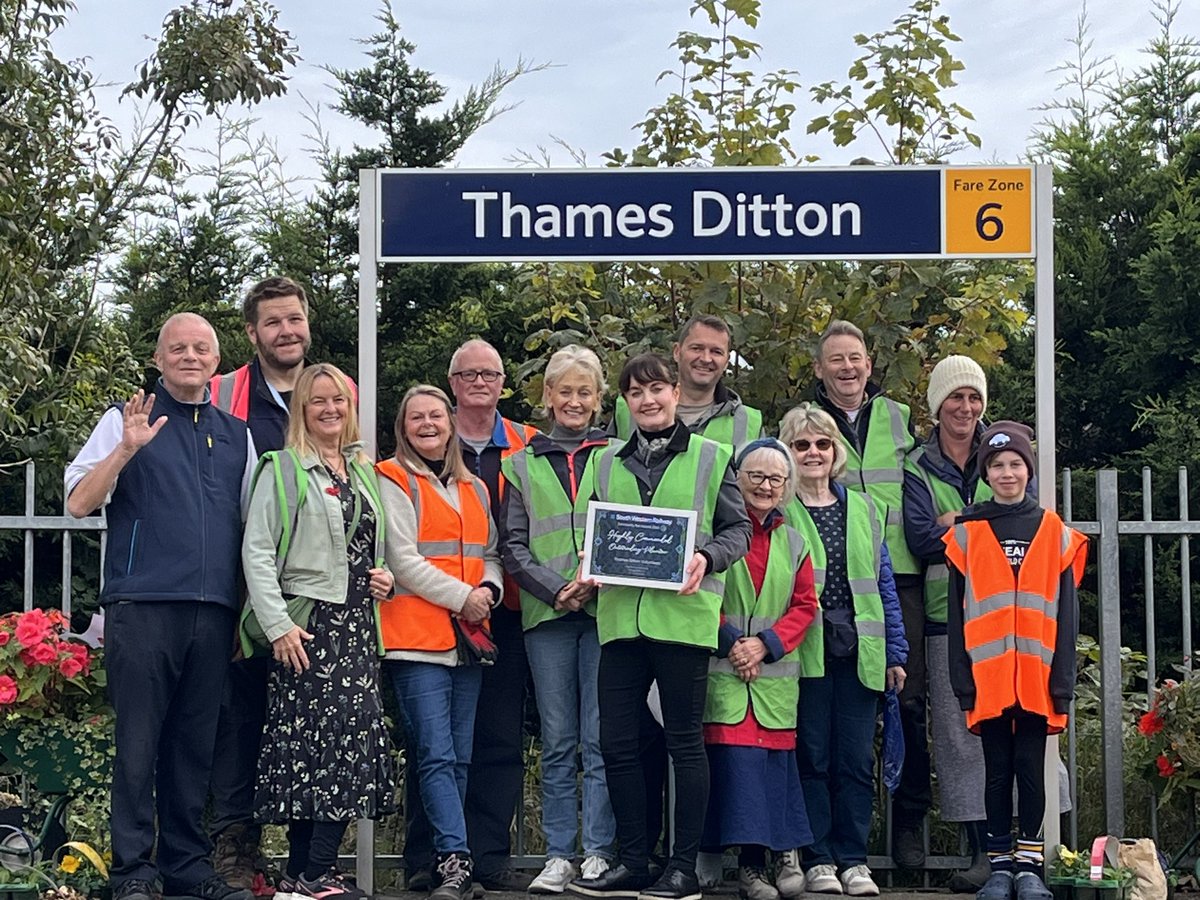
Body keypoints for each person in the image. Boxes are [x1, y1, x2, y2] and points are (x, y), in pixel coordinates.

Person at [65, 313, 256, 900]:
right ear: (159, 357)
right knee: (139, 743)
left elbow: (253, 528)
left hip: (214, 609)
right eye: (178, 347)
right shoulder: (125, 422)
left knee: (194, 745)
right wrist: (126, 449)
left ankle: (185, 865)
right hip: (142, 603)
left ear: (216, 361)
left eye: (202, 348)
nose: (190, 356)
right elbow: (77, 503)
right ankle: (131, 870)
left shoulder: (237, 433)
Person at [569, 353, 752, 900]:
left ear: (675, 392)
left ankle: (683, 868)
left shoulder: (712, 457)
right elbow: (588, 530)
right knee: (617, 744)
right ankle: (633, 861)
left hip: (684, 622)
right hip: (620, 621)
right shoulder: (603, 462)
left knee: (683, 744)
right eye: (635, 393)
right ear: (625, 403)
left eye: (656, 389)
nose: (647, 400)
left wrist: (708, 558)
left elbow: (738, 529)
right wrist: (586, 563)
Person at [241, 363, 395, 900]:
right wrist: (278, 625)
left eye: (338, 400)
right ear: (301, 410)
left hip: (357, 625)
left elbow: (378, 545)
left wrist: (385, 576)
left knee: (342, 745)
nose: (331, 409)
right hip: (309, 628)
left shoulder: (363, 470)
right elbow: (257, 553)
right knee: (321, 750)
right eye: (318, 401)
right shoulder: (282, 469)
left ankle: (302, 876)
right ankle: (316, 874)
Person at [944, 422, 1086, 900]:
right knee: (996, 771)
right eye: (997, 465)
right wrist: (962, 682)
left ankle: (1029, 866)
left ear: (1029, 470)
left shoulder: (1055, 532)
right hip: (988, 680)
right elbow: (957, 611)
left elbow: (1066, 616)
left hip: (1038, 678)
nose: (1007, 473)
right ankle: (1000, 866)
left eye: (1015, 464)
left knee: (1031, 769)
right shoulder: (967, 533)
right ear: (986, 473)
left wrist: (1062, 682)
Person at [376, 385, 504, 900]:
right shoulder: (392, 478)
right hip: (415, 639)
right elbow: (403, 560)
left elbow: (490, 551)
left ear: (451, 424)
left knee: (460, 758)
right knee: (433, 754)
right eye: (416, 417)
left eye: (436, 416)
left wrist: (488, 590)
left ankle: (444, 859)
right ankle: (454, 859)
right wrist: (463, 598)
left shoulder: (473, 486)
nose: (427, 424)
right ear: (402, 427)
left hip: (468, 641)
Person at [209, 275, 315, 892]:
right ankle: (235, 850)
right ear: (252, 333)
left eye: (294, 320)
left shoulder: (335, 390)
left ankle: (305, 862)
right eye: (273, 322)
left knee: (307, 722)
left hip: (314, 593)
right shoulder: (226, 393)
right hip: (240, 588)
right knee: (238, 721)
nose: (286, 331)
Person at [500, 345, 617, 892]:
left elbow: (629, 531)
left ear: (599, 400)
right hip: (548, 617)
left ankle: (597, 850)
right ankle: (558, 854)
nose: (574, 401)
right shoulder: (517, 463)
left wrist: (593, 584)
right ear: (547, 396)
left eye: (584, 392)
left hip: (604, 613)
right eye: (564, 390)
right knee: (558, 738)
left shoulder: (618, 455)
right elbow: (514, 547)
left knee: (598, 738)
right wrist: (555, 591)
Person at [811, 320, 928, 867]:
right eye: (836, 359)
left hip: (894, 576)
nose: (847, 368)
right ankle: (820, 847)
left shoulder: (897, 418)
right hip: (826, 582)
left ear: (869, 364)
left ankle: (906, 824)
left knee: (906, 701)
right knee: (822, 719)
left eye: (855, 358)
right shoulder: (808, 425)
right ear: (819, 369)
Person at [780, 403, 907, 898]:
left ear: (836, 452)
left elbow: (883, 583)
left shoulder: (865, 508)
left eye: (822, 444)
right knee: (812, 756)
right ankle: (817, 859)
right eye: (802, 444)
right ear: (788, 453)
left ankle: (853, 860)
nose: (813, 452)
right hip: (802, 652)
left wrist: (896, 651)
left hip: (861, 651)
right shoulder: (780, 508)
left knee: (855, 760)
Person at [700, 438, 818, 900]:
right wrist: (735, 645)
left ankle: (780, 856)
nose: (765, 486)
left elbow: (805, 605)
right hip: (725, 673)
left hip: (771, 679)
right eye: (755, 477)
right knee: (737, 771)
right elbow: (703, 593)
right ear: (737, 481)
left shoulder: (795, 540)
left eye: (775, 478)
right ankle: (749, 867)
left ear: (786, 486)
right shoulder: (718, 532)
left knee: (773, 770)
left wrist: (766, 646)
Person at [447, 339, 539, 892]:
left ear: (503, 383)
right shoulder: (427, 437)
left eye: (491, 373)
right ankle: (432, 856)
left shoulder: (528, 443)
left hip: (510, 611)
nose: (480, 382)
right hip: (439, 611)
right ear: (453, 382)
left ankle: (488, 858)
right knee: (438, 743)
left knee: (501, 740)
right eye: (469, 374)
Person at [902, 355, 994, 891]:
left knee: (1013, 724)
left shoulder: (1004, 451)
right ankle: (981, 850)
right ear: (937, 406)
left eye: (974, 397)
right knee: (959, 738)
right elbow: (918, 539)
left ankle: (1021, 846)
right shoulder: (918, 465)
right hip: (943, 617)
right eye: (955, 398)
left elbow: (1021, 517)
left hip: (1004, 615)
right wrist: (984, 526)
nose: (965, 407)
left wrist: (959, 521)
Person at [611, 315, 763, 452]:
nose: (706, 358)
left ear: (726, 362)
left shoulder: (748, 423)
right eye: (697, 348)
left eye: (716, 352)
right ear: (677, 352)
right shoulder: (627, 409)